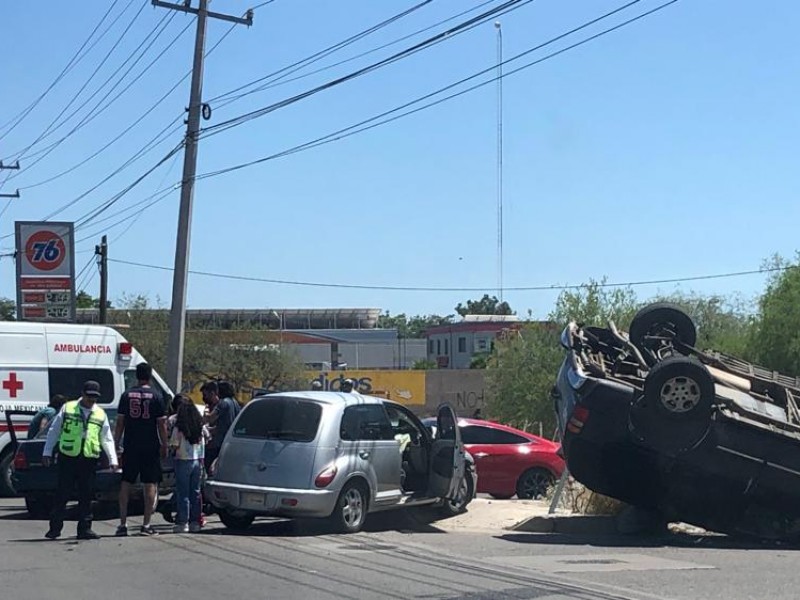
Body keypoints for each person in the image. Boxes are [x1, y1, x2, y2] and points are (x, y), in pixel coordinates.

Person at [43, 381, 118, 540]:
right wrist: (47, 452)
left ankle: (85, 529)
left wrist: (113, 459)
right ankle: (55, 528)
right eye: (89, 396)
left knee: (87, 495)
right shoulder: (68, 408)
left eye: (95, 397)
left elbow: (107, 438)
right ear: (82, 394)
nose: (92, 400)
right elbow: (54, 431)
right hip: (68, 457)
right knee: (62, 494)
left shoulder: (99, 413)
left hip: (88, 459)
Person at [114, 363, 167, 537]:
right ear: (150, 376)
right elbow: (161, 424)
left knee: (126, 482)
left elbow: (120, 422)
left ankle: (122, 524)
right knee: (149, 483)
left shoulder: (126, 395)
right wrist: (165, 444)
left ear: (136, 376)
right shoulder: (156, 396)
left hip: (131, 444)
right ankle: (146, 524)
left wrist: (115, 442)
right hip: (150, 445)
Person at [169, 395, 205, 533]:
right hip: (197, 460)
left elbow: (174, 444)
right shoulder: (199, 425)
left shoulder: (179, 427)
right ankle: (195, 522)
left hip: (182, 460)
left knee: (182, 492)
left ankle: (182, 522)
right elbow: (207, 437)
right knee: (195, 492)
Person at [204, 381, 240, 473]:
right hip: (230, 441)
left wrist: (205, 412)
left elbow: (211, 418)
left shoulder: (223, 403)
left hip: (218, 442)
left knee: (209, 466)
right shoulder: (235, 403)